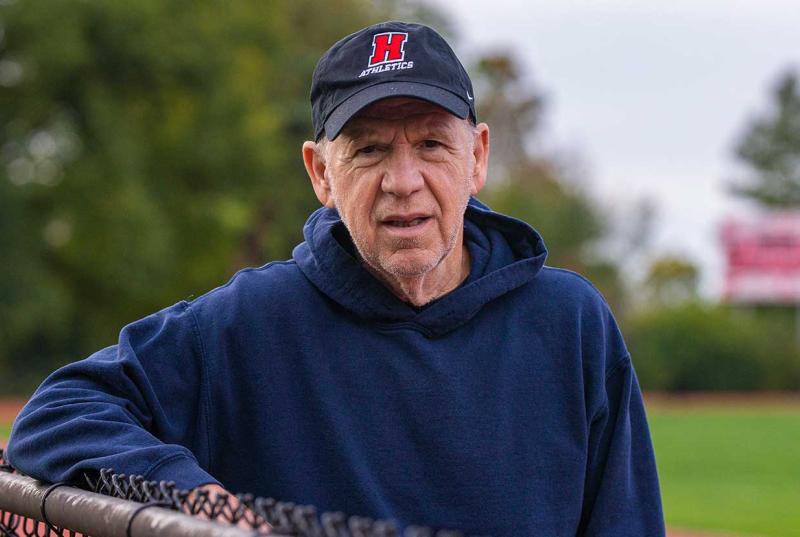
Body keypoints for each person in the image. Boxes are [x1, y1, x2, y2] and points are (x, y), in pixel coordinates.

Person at [7, 21, 665, 536]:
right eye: (369, 149)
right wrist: (193, 501)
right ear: (321, 173)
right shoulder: (254, 320)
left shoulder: (569, 322)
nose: (403, 182)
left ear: (478, 157)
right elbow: (59, 412)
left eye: (432, 144)